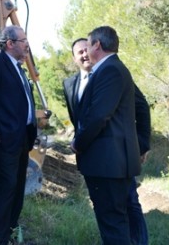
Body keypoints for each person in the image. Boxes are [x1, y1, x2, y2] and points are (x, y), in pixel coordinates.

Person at [63, 37, 151, 245]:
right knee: (108, 213)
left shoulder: (111, 74)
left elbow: (141, 107)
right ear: (74, 58)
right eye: (79, 52)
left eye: (87, 49)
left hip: (118, 158)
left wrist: (141, 144)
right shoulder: (69, 84)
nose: (84, 54)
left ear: (95, 49)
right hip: (93, 161)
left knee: (129, 206)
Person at [0, 26, 37, 245]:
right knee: (5, 189)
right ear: (10, 43)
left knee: (17, 189)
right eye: (23, 40)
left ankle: (9, 233)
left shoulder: (19, 68)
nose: (27, 44)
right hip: (4, 140)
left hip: (22, 139)